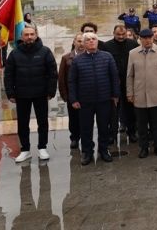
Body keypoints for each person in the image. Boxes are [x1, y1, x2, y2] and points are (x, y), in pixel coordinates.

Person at [5, 25, 58, 163]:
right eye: (26, 35)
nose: (29, 37)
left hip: (41, 94)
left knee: (42, 122)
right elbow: (8, 75)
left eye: (32, 34)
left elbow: (52, 73)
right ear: (21, 37)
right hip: (21, 94)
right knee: (22, 123)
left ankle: (42, 147)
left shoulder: (45, 52)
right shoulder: (14, 54)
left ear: (36, 35)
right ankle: (25, 150)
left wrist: (51, 91)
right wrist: (10, 93)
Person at [69, 32, 120, 165]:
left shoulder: (107, 57)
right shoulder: (77, 60)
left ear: (97, 42)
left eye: (93, 39)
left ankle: (103, 150)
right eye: (88, 40)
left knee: (104, 127)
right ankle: (87, 152)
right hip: (85, 101)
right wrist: (73, 99)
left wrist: (115, 95)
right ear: (84, 43)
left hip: (104, 99)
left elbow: (114, 77)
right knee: (86, 128)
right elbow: (72, 82)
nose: (91, 41)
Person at [129, 29, 157, 158]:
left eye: (149, 38)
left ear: (153, 38)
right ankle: (144, 148)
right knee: (141, 125)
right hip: (139, 95)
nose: (147, 40)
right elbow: (129, 75)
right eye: (144, 38)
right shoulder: (133, 53)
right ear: (140, 39)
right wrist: (129, 93)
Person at [102, 24, 139, 143]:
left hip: (129, 82)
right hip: (113, 83)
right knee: (113, 111)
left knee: (130, 109)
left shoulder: (133, 44)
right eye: (118, 34)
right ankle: (112, 134)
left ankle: (132, 132)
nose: (121, 37)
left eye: (123, 34)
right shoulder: (106, 46)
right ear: (113, 34)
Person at [58, 34, 84, 149]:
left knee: (86, 118)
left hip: (87, 94)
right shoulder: (66, 58)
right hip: (72, 95)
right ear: (74, 42)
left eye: (83, 41)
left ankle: (85, 137)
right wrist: (65, 95)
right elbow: (61, 78)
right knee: (73, 119)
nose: (81, 43)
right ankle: (74, 137)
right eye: (79, 41)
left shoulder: (92, 56)